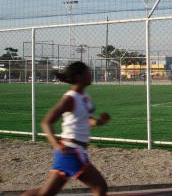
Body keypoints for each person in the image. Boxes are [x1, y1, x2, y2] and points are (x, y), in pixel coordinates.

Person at [23, 62, 110, 196]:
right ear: (79, 76)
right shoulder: (70, 98)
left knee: (45, 193)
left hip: (74, 151)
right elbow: (46, 122)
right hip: (71, 151)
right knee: (100, 187)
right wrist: (56, 144)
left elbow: (84, 120)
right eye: (88, 72)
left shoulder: (84, 97)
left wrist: (99, 122)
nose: (91, 74)